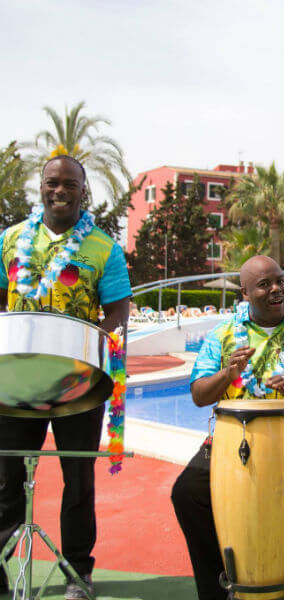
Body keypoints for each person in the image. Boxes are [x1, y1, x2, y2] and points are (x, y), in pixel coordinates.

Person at [171, 255, 284, 600]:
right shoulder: (223, 335)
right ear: (245, 293)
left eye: (280, 281)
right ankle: (218, 587)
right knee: (186, 493)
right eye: (265, 284)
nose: (277, 289)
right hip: (231, 439)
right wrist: (227, 374)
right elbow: (199, 395)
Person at [0, 155, 131, 599]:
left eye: (69, 184)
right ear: (41, 187)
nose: (60, 191)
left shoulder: (104, 248)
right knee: (5, 474)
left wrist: (100, 342)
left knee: (78, 478)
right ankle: (0, 561)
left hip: (76, 377)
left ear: (83, 191)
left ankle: (78, 570)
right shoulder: (11, 239)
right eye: (52, 183)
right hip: (19, 377)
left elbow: (117, 308)